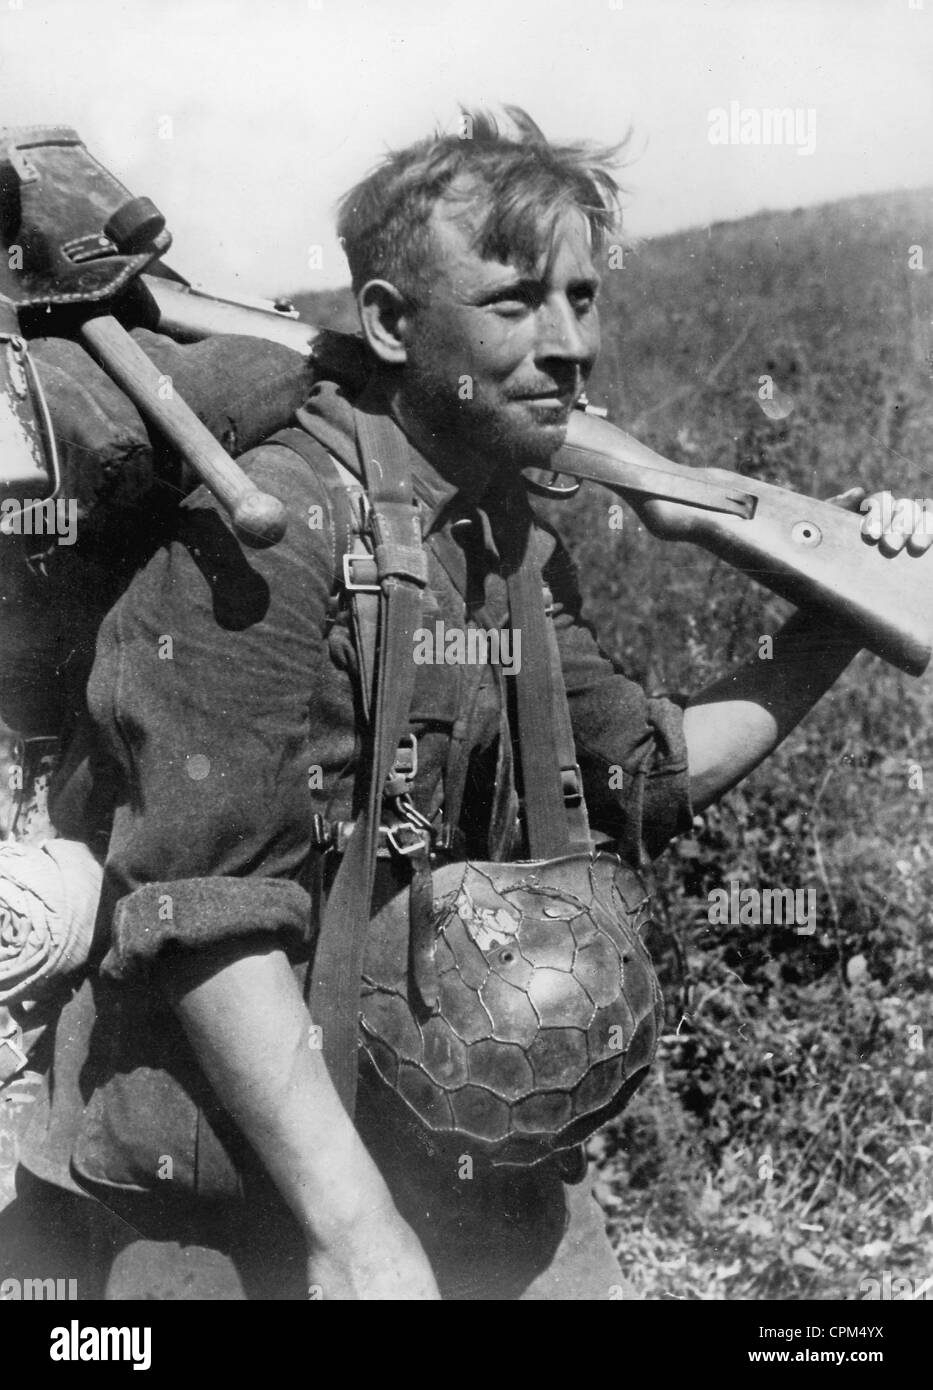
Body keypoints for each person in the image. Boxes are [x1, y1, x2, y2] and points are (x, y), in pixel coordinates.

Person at [6, 107, 928, 1302]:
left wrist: (846, 603)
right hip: (239, 1188)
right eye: (513, 303)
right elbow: (207, 918)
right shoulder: (262, 534)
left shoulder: (507, 531)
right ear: (389, 322)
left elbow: (646, 772)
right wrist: (361, 1236)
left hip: (462, 1139)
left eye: (582, 299)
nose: (568, 344)